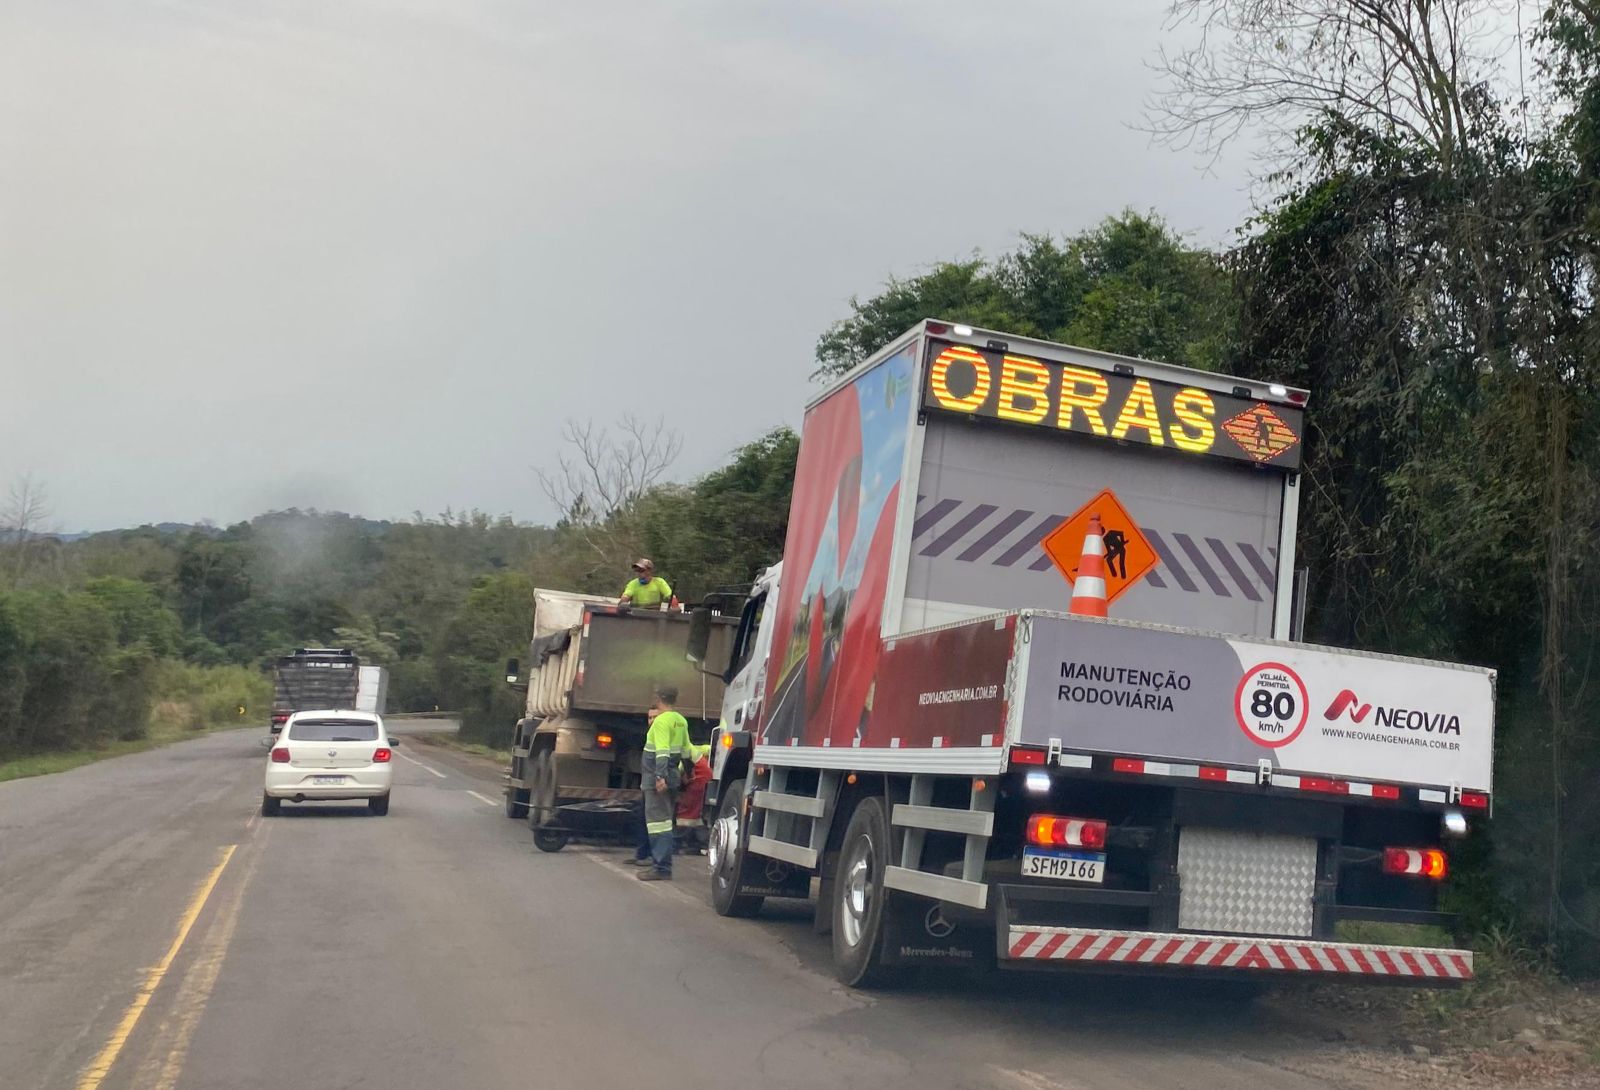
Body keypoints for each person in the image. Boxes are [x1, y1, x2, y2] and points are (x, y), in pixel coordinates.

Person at [638, 686, 691, 880]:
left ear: (659, 698)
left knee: (658, 824)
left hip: (656, 778)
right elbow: (686, 752)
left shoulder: (660, 722)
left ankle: (660, 868)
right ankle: (663, 866)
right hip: (673, 776)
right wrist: (686, 774)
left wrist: (659, 778)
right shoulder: (681, 721)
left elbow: (661, 752)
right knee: (666, 822)